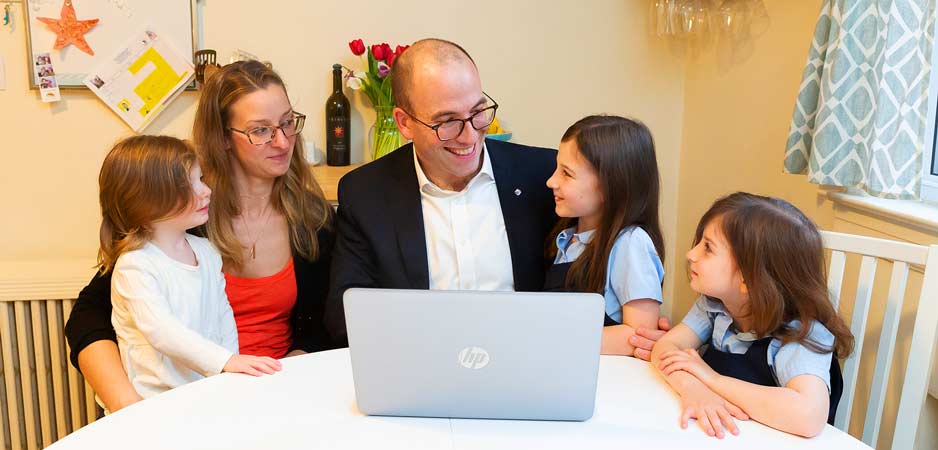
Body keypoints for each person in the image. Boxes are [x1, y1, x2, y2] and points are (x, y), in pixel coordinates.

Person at [324, 38, 671, 355]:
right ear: (404, 123)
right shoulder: (366, 192)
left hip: (533, 366)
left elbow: (614, 250)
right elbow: (344, 316)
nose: (470, 136)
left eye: (477, 113)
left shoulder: (542, 176)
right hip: (419, 360)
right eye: (447, 121)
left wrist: (637, 321)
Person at [65, 60, 337, 412]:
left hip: (276, 388)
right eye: (261, 130)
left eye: (287, 122)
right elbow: (89, 316)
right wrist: (128, 406)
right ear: (222, 137)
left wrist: (281, 379)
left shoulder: (313, 219)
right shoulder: (182, 213)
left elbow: (324, 325)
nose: (283, 141)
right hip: (185, 398)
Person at [651, 192, 853, 438]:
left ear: (749, 278)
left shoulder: (802, 333)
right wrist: (694, 389)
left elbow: (808, 416)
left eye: (707, 248)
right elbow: (666, 348)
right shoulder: (715, 306)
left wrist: (712, 379)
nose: (691, 254)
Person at [97, 135, 280, 401]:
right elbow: (162, 332)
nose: (206, 190)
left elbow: (222, 315)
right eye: (190, 185)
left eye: (201, 179)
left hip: (202, 392)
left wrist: (231, 369)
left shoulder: (206, 251)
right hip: (152, 401)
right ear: (147, 200)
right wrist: (225, 360)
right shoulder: (135, 266)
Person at [544, 115, 664, 356]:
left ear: (611, 185)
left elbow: (640, 335)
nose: (551, 182)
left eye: (566, 173)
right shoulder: (567, 240)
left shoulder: (631, 243)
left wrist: (549, 341)